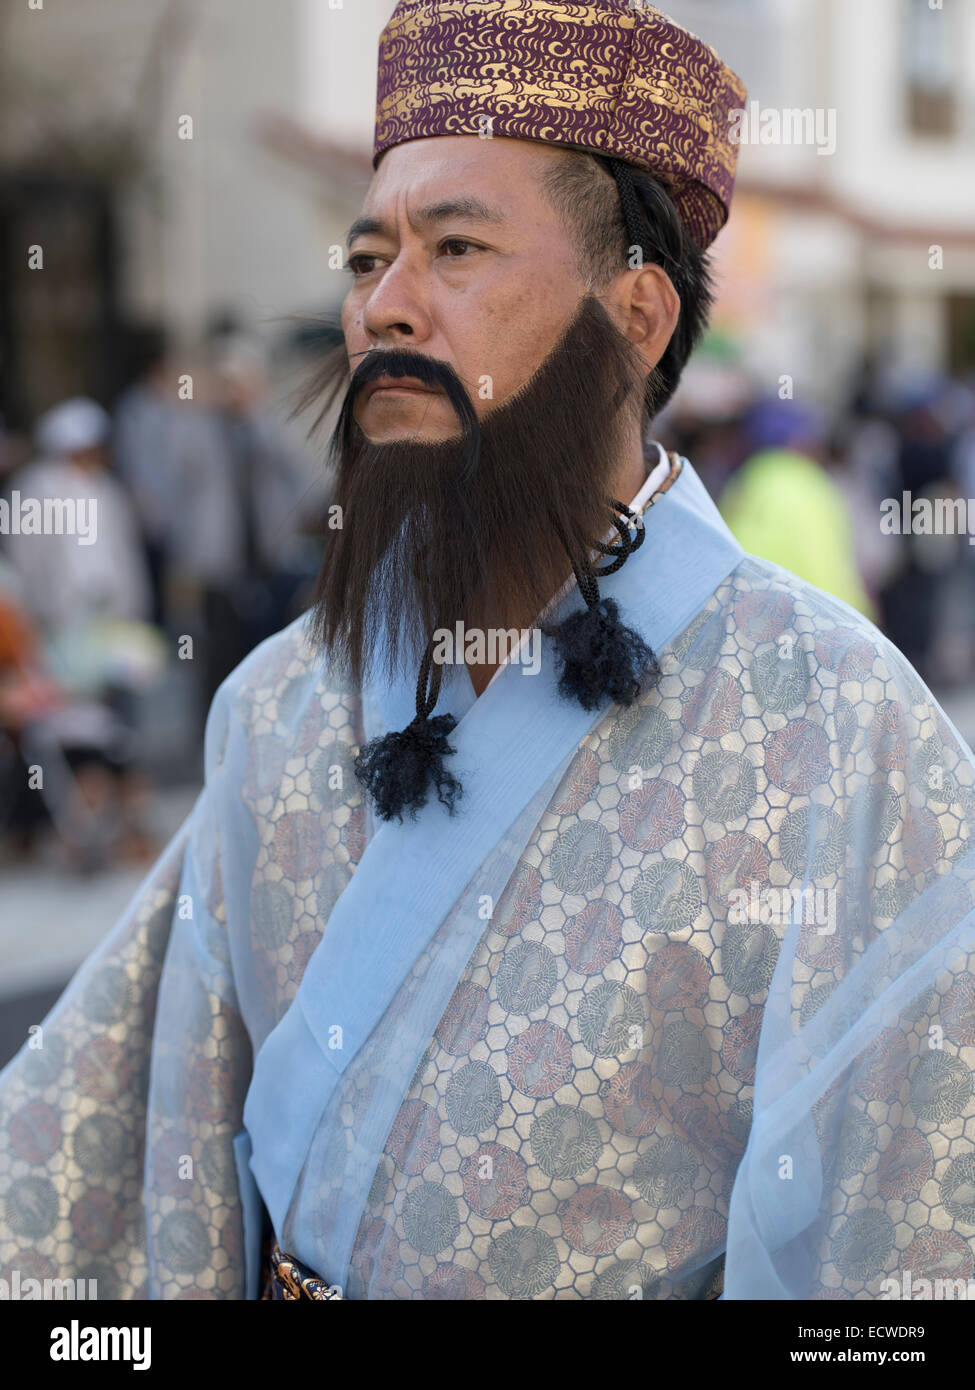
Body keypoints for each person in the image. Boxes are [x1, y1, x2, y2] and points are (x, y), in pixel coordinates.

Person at [1, 0, 974, 1303]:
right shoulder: (282, 701)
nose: (384, 310)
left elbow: (899, 1236)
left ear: (633, 314)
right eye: (365, 261)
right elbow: (110, 1131)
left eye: (455, 248)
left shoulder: (840, 731)